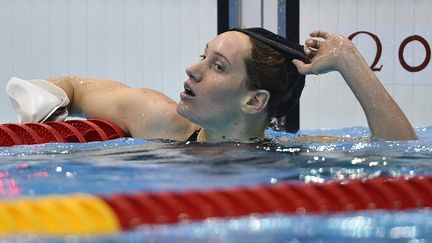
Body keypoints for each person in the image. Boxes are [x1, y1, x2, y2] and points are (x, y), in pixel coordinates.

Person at [7, 28, 418, 142]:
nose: (192, 69)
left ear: (255, 100)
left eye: (217, 66)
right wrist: (48, 103)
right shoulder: (160, 120)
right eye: (203, 55)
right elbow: (73, 87)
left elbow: (401, 155)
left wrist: (350, 62)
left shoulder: (296, 158)